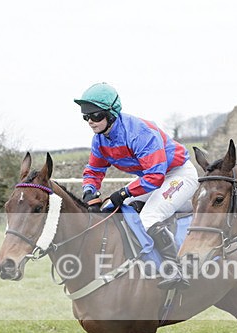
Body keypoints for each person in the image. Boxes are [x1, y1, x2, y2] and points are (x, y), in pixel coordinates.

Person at [75, 82, 199, 290]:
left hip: (177, 174)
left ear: (111, 113)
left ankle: (174, 270)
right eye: (85, 116)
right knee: (109, 210)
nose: (90, 121)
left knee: (149, 217)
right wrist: (89, 191)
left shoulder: (140, 133)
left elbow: (155, 176)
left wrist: (124, 192)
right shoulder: (100, 140)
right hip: (151, 177)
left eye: (95, 116)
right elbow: (94, 171)